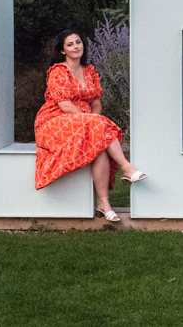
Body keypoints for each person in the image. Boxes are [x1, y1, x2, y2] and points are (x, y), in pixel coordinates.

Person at [35, 29, 146, 222]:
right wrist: (91, 121)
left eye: (78, 42)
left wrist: (93, 120)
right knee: (99, 127)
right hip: (55, 121)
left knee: (100, 148)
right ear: (62, 50)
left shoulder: (90, 71)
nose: (76, 47)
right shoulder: (58, 72)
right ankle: (126, 167)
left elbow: (96, 103)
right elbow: (65, 105)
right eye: (70, 44)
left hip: (83, 121)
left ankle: (104, 204)